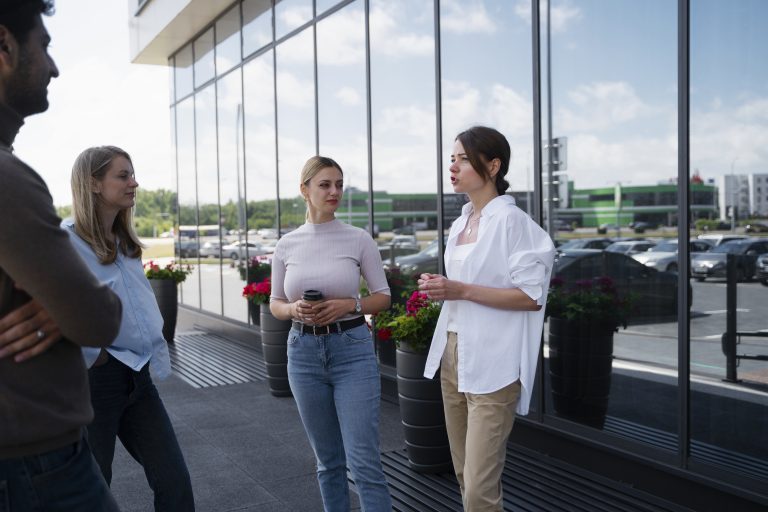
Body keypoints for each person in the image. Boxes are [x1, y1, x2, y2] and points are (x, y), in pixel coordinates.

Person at [0, 1, 123, 510]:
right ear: (4, 45)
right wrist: (71, 305)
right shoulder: (7, 180)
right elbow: (98, 319)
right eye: (44, 46)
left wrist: (64, 304)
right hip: (36, 468)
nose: (53, 67)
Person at [419, 126, 555, 511]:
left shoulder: (512, 222)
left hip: (494, 361)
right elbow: (466, 285)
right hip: (453, 353)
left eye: (463, 159)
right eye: (452, 159)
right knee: (464, 473)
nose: (453, 167)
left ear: (493, 166)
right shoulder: (461, 223)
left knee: (480, 486)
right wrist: (442, 287)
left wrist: (460, 289)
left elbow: (531, 296)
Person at [59, 145, 194, 511]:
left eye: (132, 175)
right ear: (94, 183)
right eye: (123, 176)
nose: (134, 183)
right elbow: (49, 308)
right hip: (96, 382)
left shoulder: (123, 241)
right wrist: (95, 356)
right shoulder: (65, 241)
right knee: (93, 490)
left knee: (175, 481)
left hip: (138, 376)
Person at [269, 155, 393, 511]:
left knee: (364, 462)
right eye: (325, 184)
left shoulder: (358, 239)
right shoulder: (286, 244)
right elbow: (276, 303)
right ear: (304, 190)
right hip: (303, 353)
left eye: (339, 184)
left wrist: (350, 305)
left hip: (352, 351)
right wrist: (293, 310)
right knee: (327, 462)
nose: (334, 191)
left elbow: (383, 297)